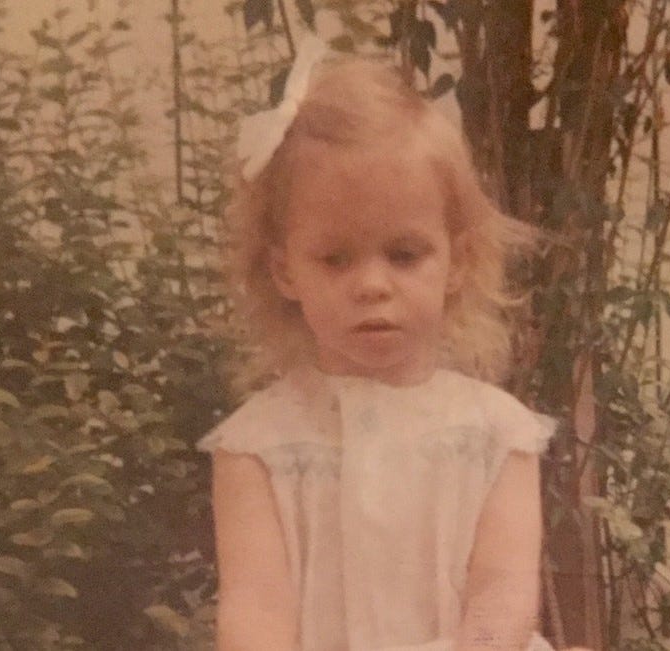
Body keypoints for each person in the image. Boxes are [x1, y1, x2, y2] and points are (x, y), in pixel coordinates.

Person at [197, 34, 556, 651]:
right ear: (285, 271)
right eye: (336, 259)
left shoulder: (496, 435)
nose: (371, 285)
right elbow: (256, 614)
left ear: (456, 261)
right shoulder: (257, 448)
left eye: (404, 254)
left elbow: (501, 602)